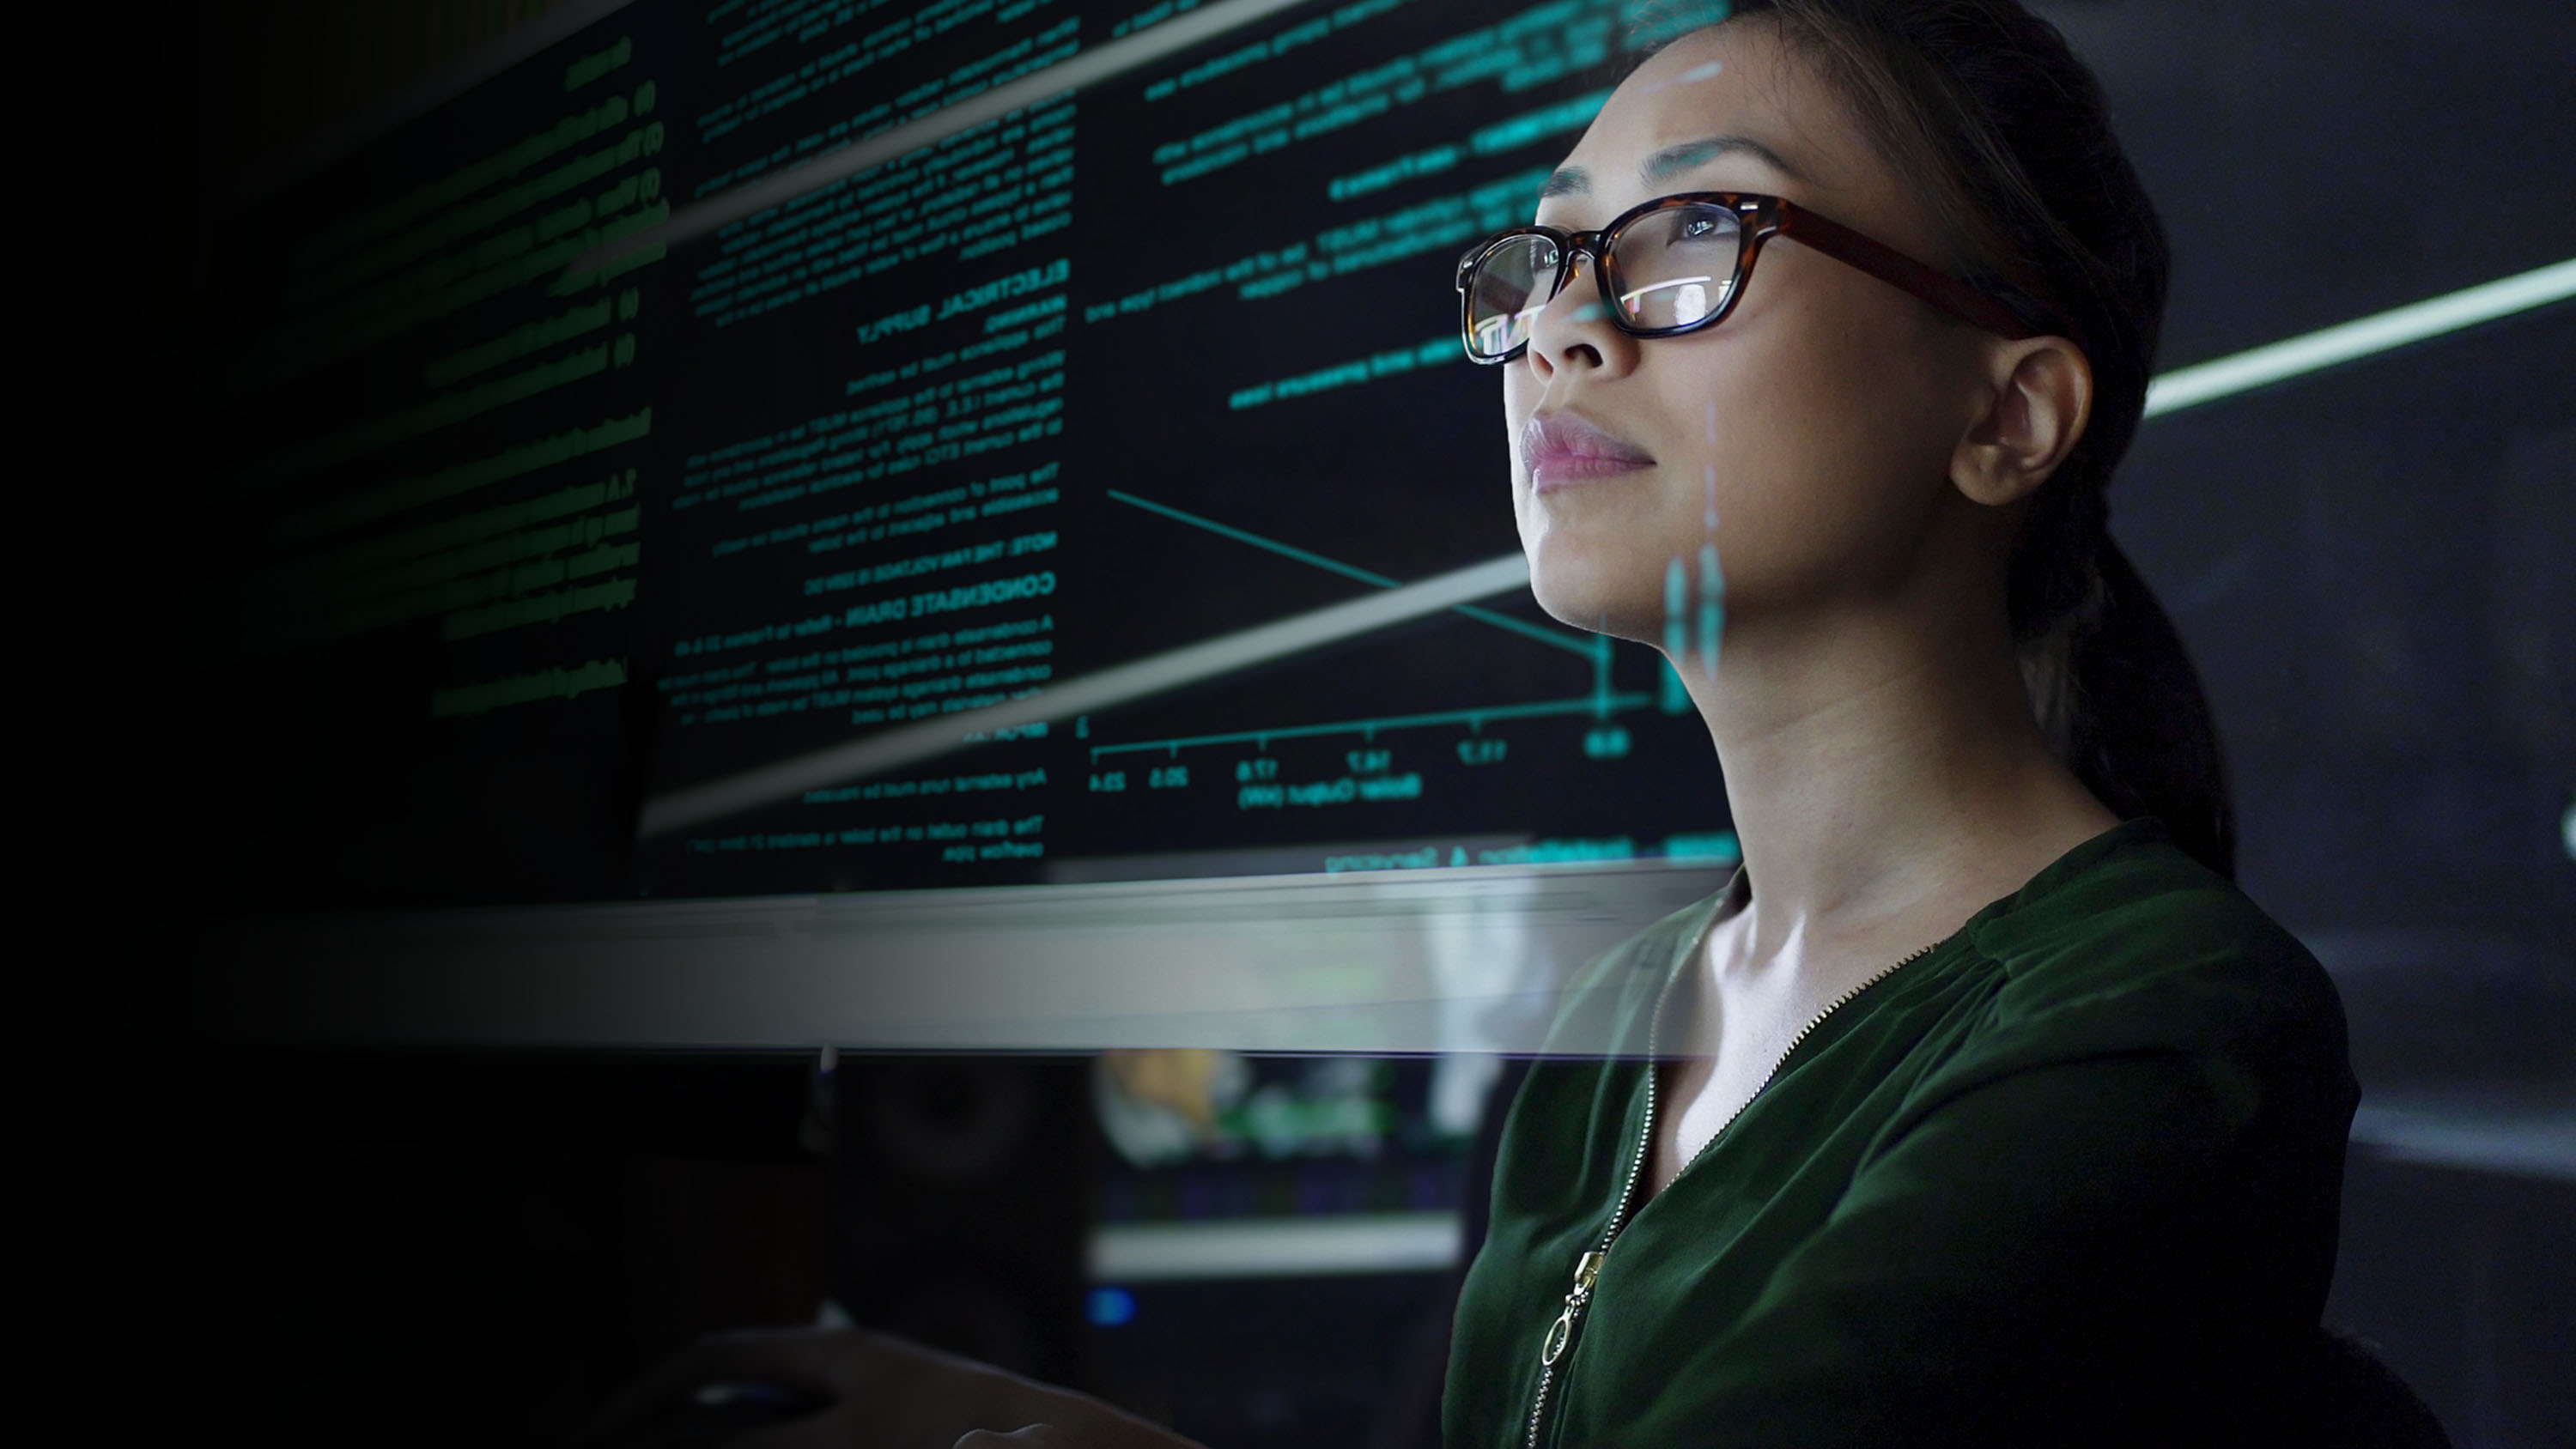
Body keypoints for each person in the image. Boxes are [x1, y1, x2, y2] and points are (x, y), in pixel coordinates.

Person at [581, 1, 2360, 1444]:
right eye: (1541, 260)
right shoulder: (1627, 1003)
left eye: (1691, 236)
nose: (1556, 333)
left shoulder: (2160, 1020)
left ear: (2010, 412)